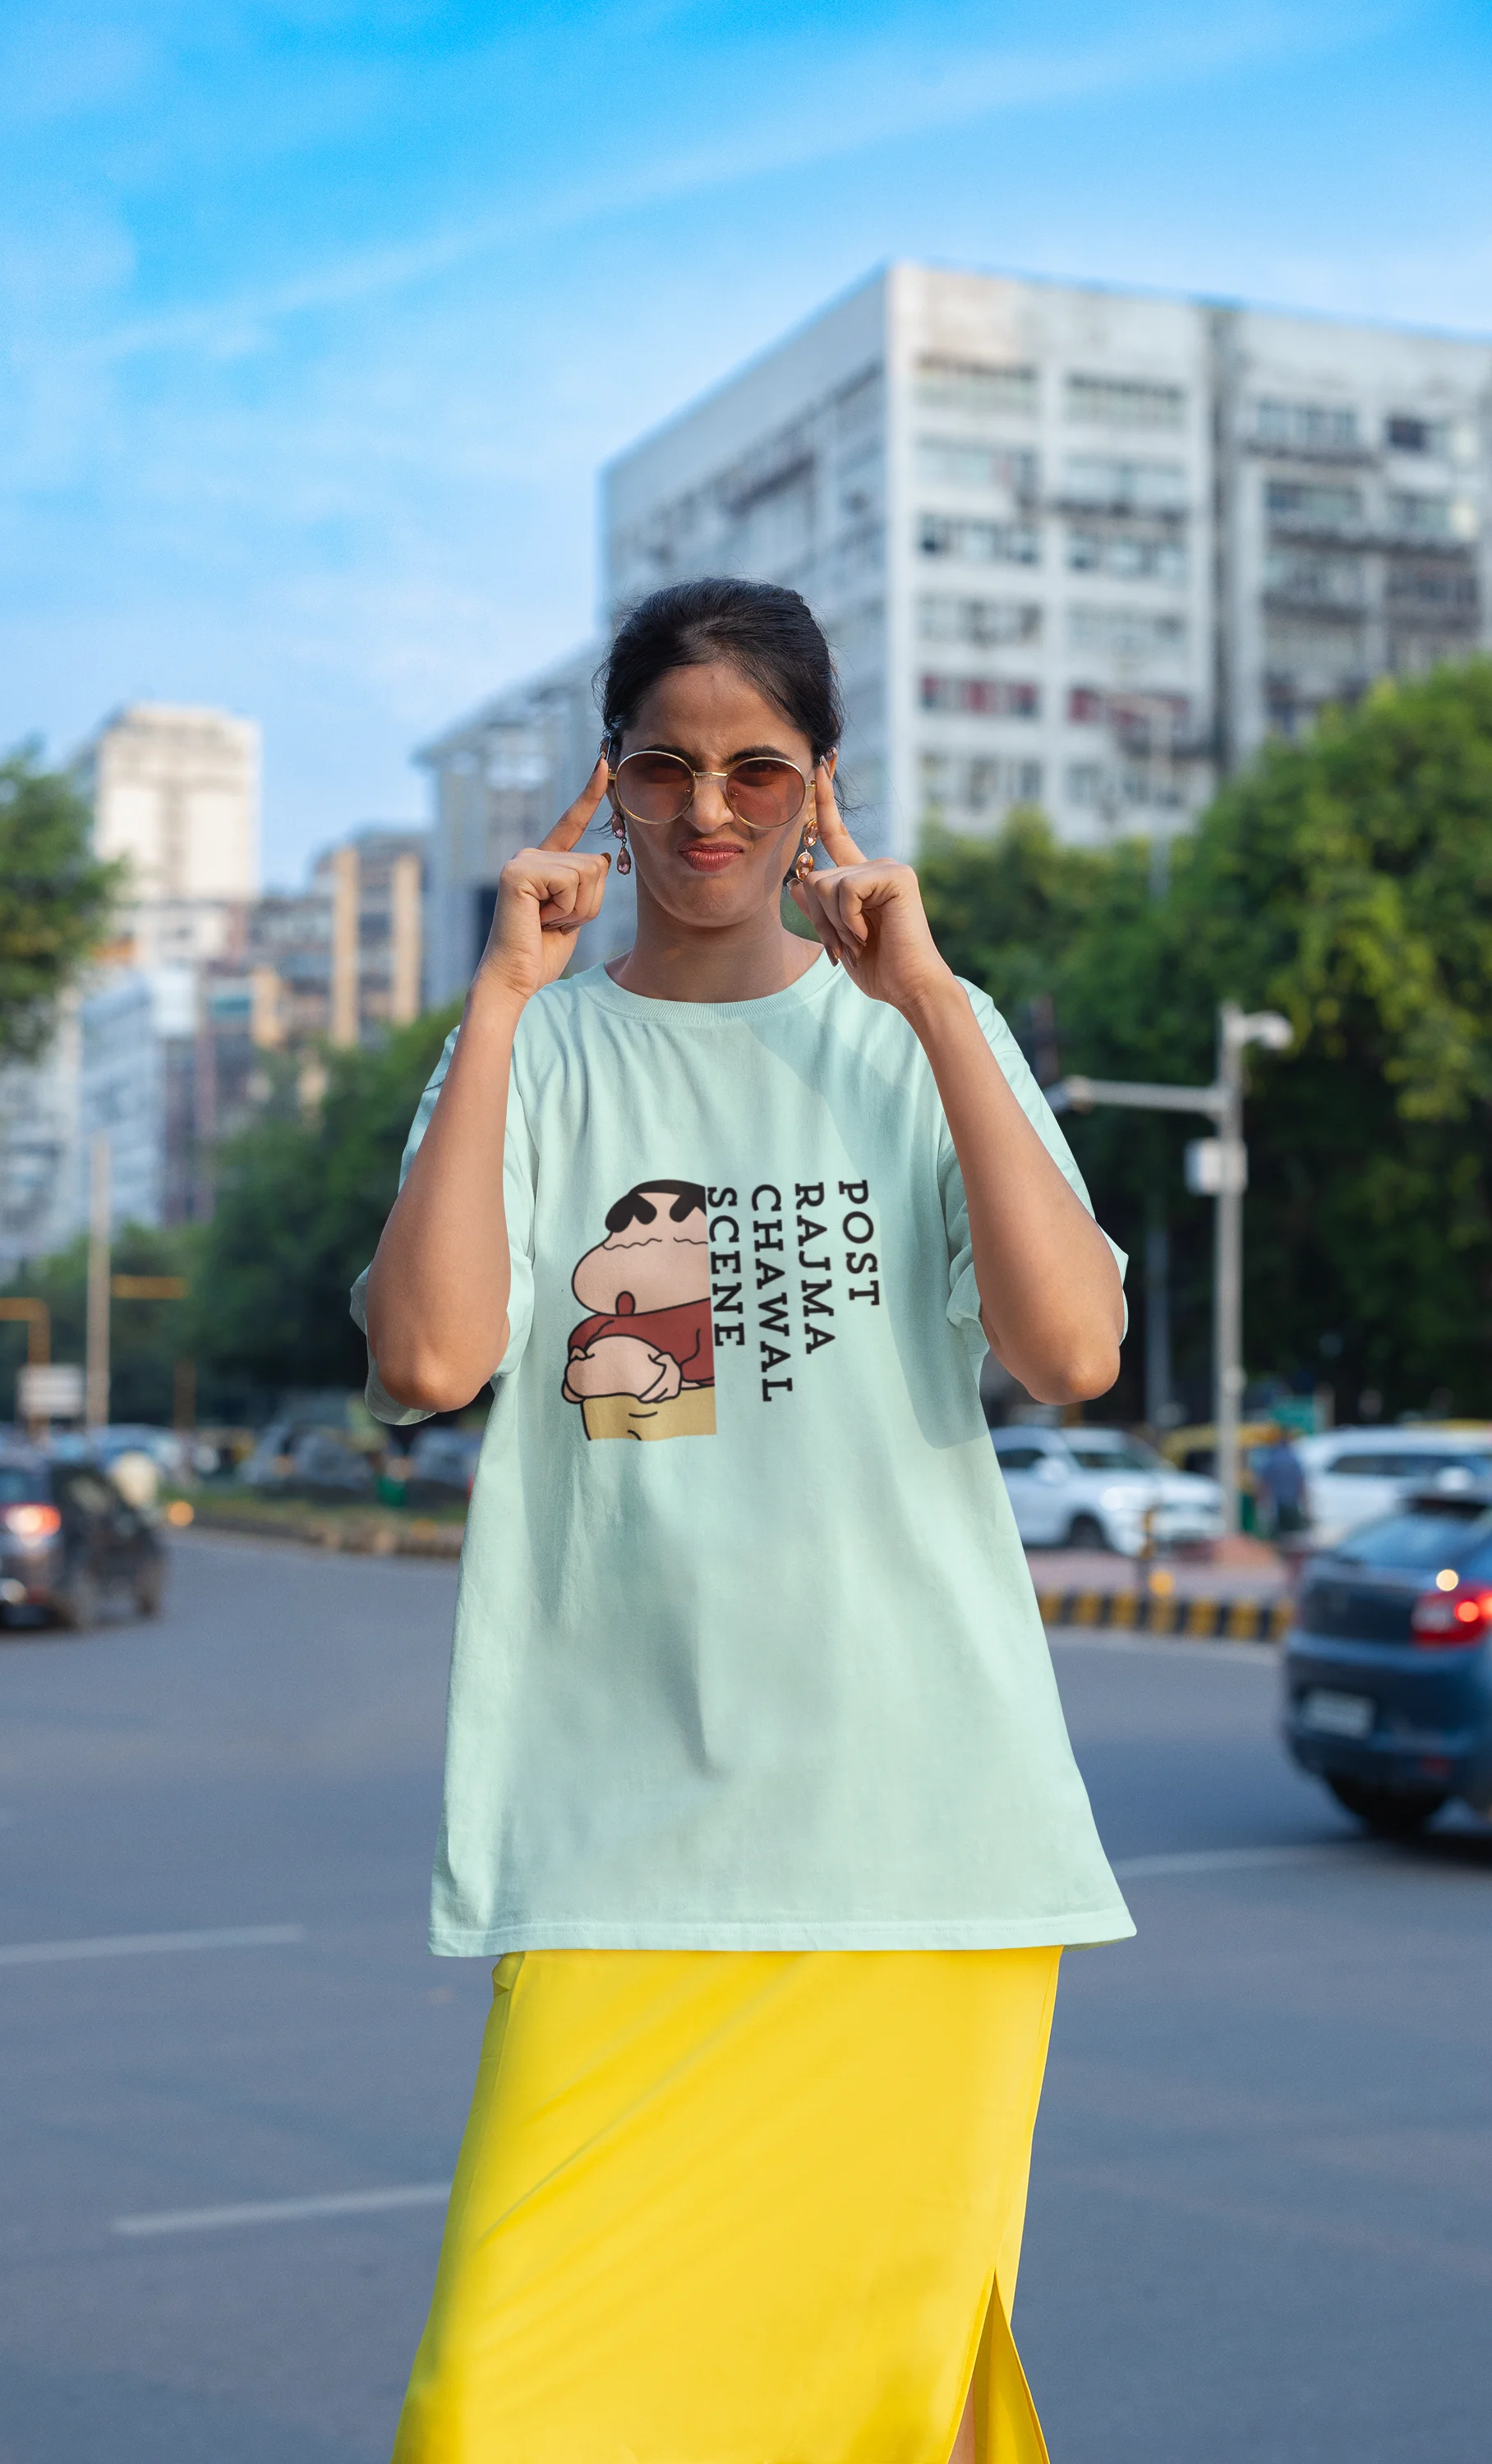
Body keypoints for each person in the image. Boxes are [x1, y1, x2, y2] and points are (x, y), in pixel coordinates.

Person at [357, 577, 1134, 2464]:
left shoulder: (912, 1045)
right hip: (618, 1837)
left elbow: (1065, 1349)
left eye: (755, 771)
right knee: (496, 2405)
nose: (708, 812)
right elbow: (436, 1354)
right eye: (662, 767)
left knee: (868, 2397)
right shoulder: (530, 1054)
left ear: (820, 794)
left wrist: (930, 996)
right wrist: (492, 994)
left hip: (914, 1836)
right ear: (601, 791)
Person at [1252, 1423, 1309, 1538]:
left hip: (1275, 1505)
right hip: (1292, 1503)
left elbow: (1263, 1483)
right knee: (1293, 1537)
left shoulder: (1271, 1459)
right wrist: (1306, 1502)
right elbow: (1301, 1482)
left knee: (1277, 1537)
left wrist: (1260, 1501)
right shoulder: (1294, 1459)